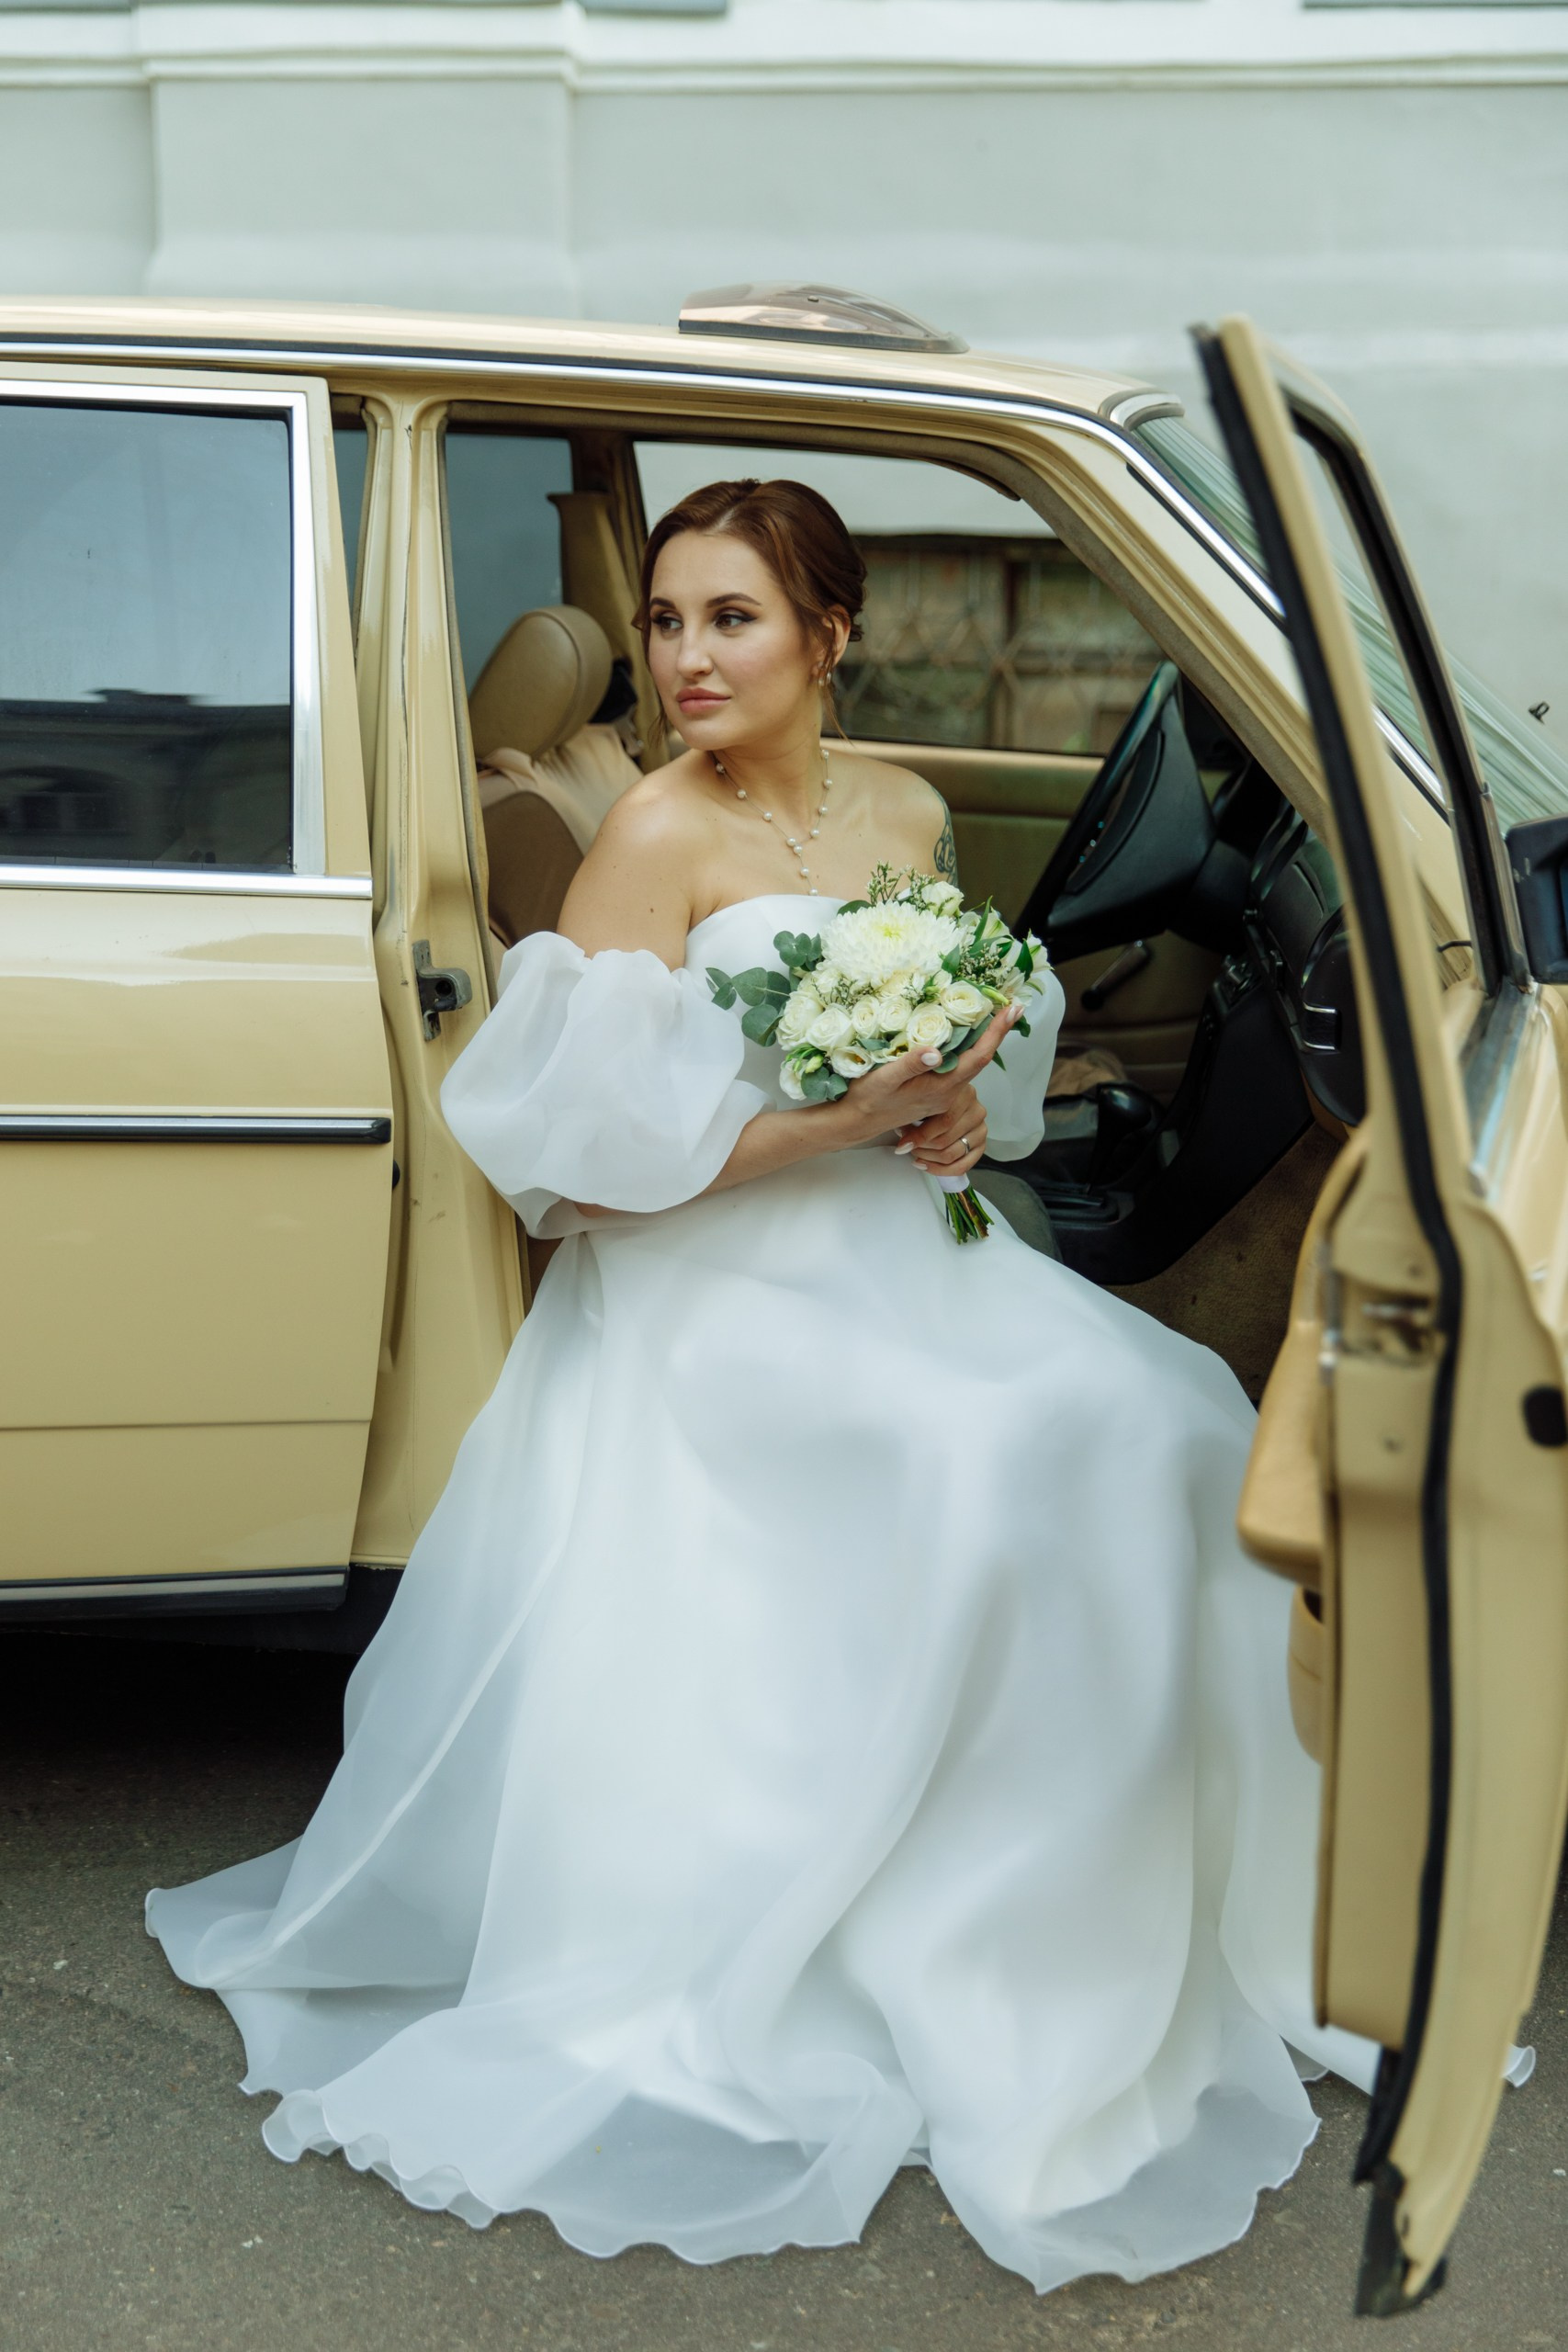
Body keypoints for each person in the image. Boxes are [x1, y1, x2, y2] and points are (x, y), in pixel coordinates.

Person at [146, 478, 1398, 2292]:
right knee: (985, 1455)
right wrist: (836, 1122)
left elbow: (973, 1045)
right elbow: (585, 1179)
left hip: (897, 1237)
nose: (687, 657)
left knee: (1168, 1417)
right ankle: (914, 1921)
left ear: (830, 632)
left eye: (729, 617)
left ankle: (1094, 1906)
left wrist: (949, 1113)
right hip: (711, 1281)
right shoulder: (650, 837)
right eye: (665, 621)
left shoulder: (907, 808)